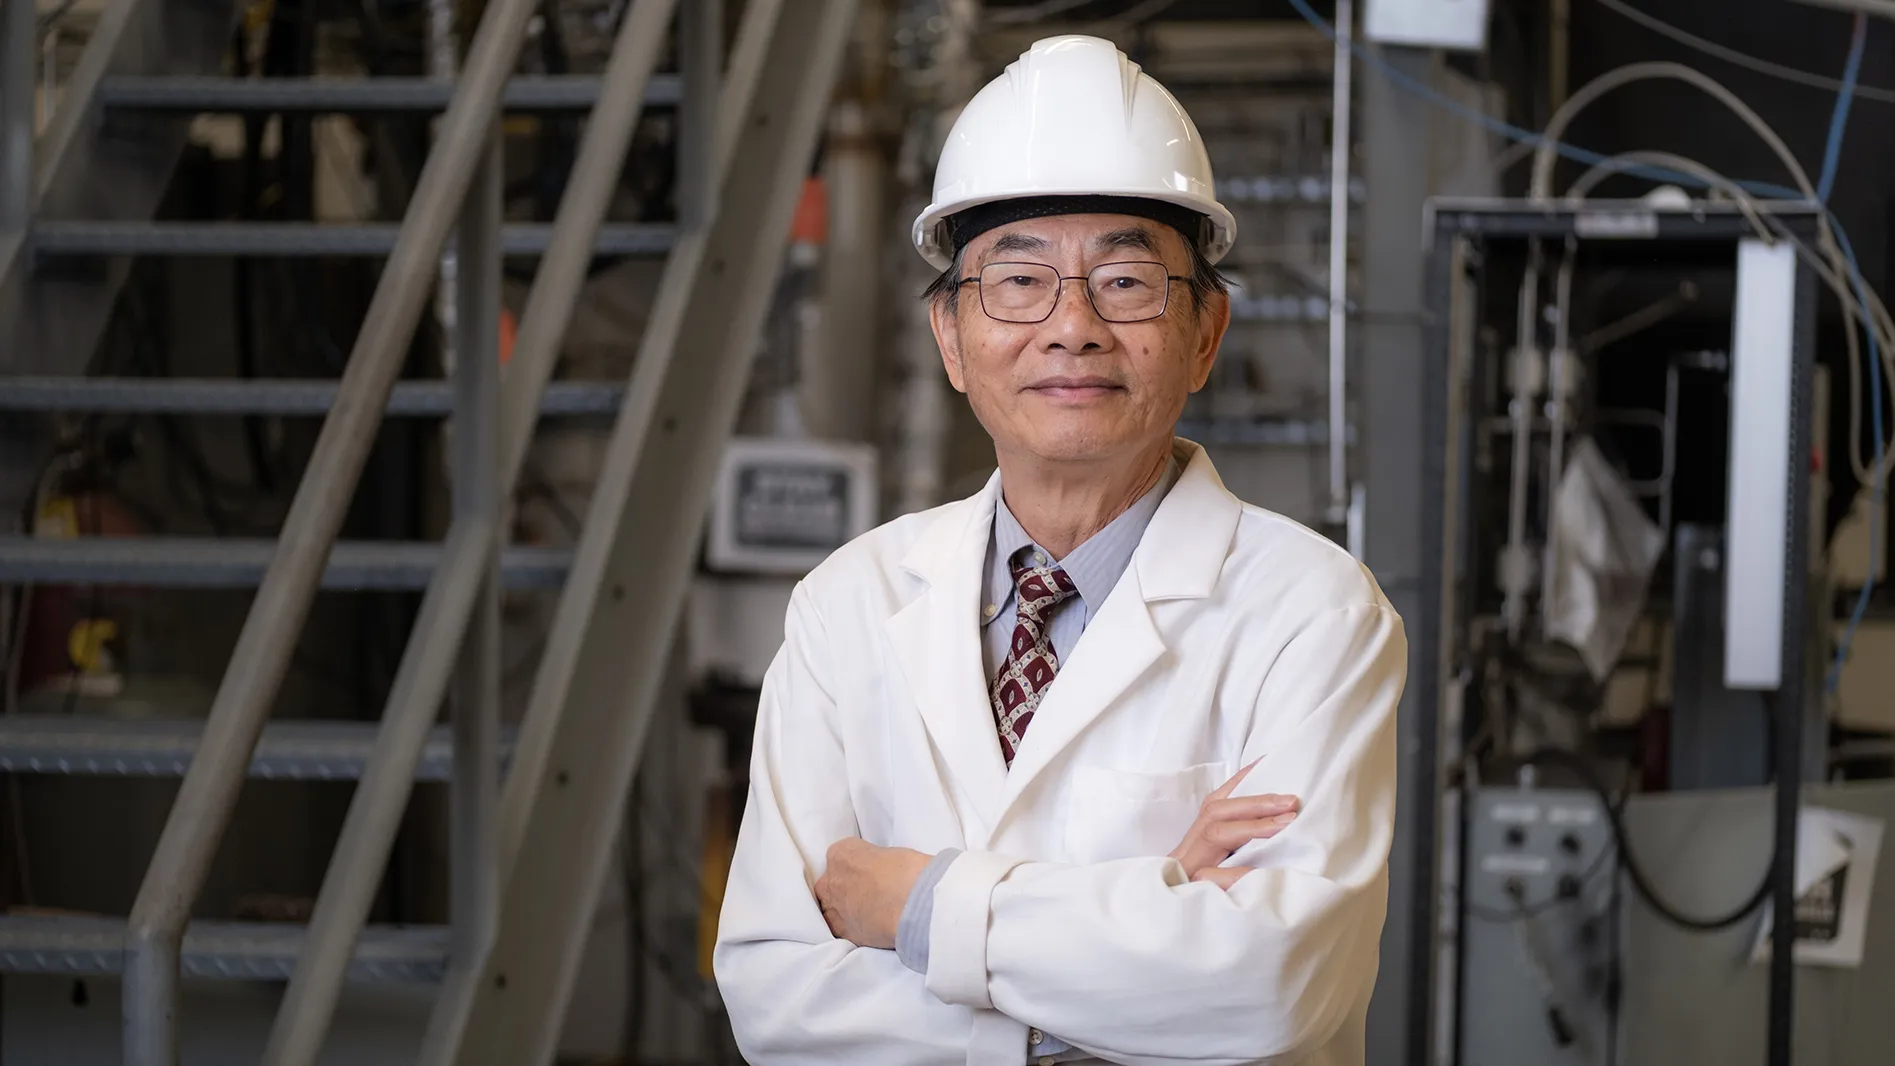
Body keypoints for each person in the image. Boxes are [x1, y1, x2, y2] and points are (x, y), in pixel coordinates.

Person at [712, 34, 1405, 1066]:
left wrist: (918, 907)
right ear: (951, 338)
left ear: (1205, 334)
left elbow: (1270, 987)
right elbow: (775, 997)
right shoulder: (846, 604)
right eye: (1018, 280)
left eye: (1125, 281)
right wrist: (1141, 935)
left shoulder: (1314, 613)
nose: (1071, 325)